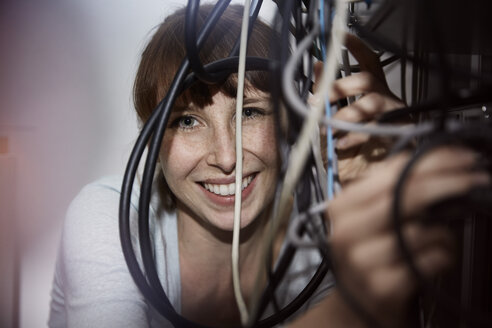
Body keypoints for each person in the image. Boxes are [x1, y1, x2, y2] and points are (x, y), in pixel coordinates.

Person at [48, 4, 489, 328]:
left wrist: (387, 215)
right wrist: (352, 306)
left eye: (250, 112)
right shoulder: (108, 219)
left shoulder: (315, 243)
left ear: (288, 124)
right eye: (187, 121)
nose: (225, 156)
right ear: (152, 141)